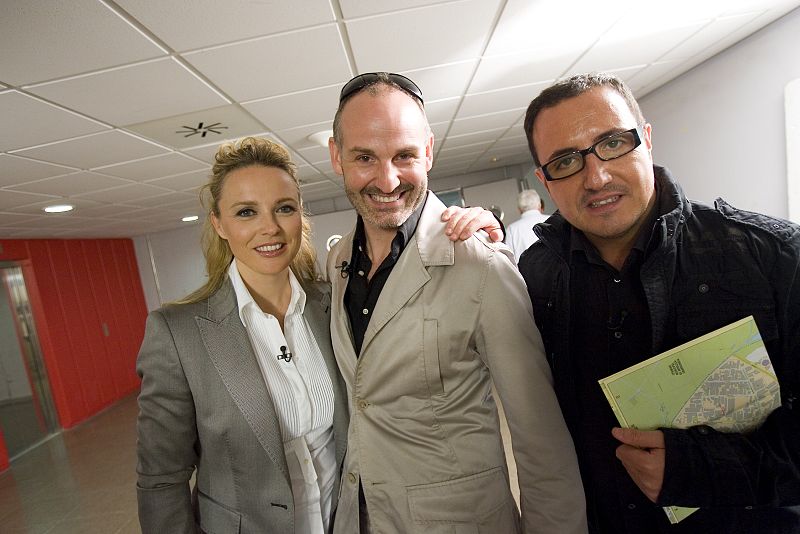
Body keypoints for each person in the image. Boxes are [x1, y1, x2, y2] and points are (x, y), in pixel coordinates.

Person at [135, 137, 502, 533]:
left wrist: (467, 232)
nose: (270, 227)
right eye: (246, 212)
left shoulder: (336, 301)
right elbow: (161, 480)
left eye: (284, 208)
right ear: (219, 224)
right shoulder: (178, 333)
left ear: (300, 215)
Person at [518, 72, 800, 533]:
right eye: (565, 161)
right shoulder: (533, 277)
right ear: (545, 181)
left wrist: (699, 469)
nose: (596, 177)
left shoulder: (772, 256)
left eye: (612, 143)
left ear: (646, 139)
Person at [326, 72, 587, 533]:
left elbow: (540, 439)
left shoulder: (479, 264)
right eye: (364, 157)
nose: (387, 179)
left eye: (404, 155)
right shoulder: (337, 261)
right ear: (336, 156)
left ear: (428, 151)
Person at [506, 189, 548, 262]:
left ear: (519, 209)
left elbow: (509, 259)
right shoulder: (552, 220)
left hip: (525, 269)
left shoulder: (512, 229)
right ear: (539, 205)